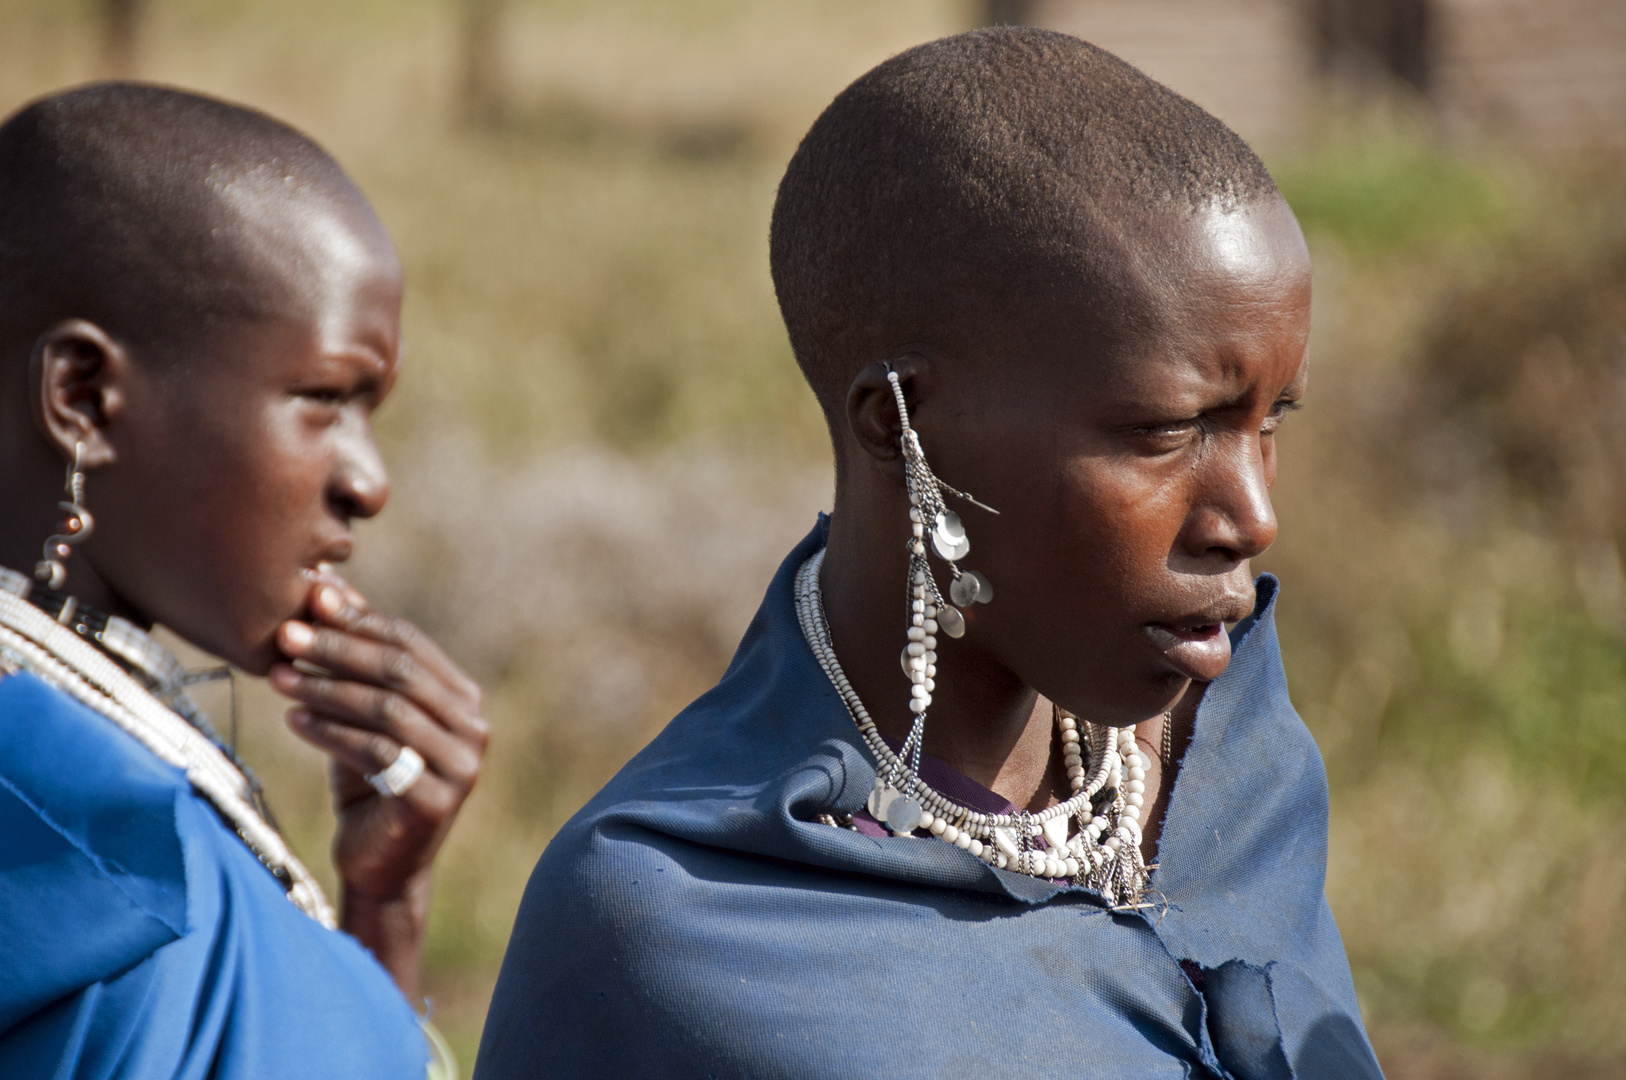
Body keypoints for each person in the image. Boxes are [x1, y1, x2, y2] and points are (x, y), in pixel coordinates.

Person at [478, 27, 1386, 1080]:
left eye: (1272, 421)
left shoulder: (1233, 780)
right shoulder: (678, 923)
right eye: (1163, 431)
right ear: (897, 425)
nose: (1251, 515)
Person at [0, 84, 488, 1078]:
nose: (370, 481)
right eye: (323, 399)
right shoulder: (140, 867)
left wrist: (377, 893)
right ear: (83, 399)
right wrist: (376, 931)